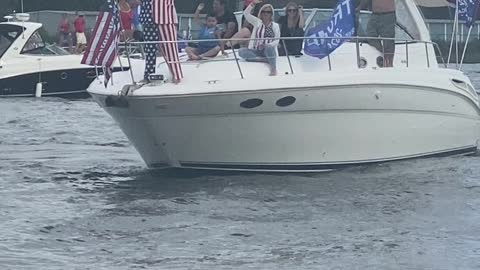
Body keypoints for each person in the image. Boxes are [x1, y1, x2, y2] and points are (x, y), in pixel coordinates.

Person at [140, 0, 183, 84]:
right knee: (149, 49)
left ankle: (177, 75)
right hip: (147, 15)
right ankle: (148, 75)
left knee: (170, 47)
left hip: (165, 15)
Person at [239, 0, 280, 76]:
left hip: (268, 50)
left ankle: (273, 69)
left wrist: (267, 45)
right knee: (241, 51)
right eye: (263, 12)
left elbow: (277, 41)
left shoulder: (275, 25)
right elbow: (246, 14)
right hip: (257, 50)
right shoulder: (257, 22)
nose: (265, 14)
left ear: (271, 14)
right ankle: (263, 59)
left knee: (268, 47)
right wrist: (253, 3)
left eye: (268, 12)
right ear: (261, 13)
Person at [357, 0, 396, 67]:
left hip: (388, 14)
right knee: (370, 36)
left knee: (388, 40)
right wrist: (359, 7)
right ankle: (384, 52)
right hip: (375, 14)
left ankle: (389, 64)